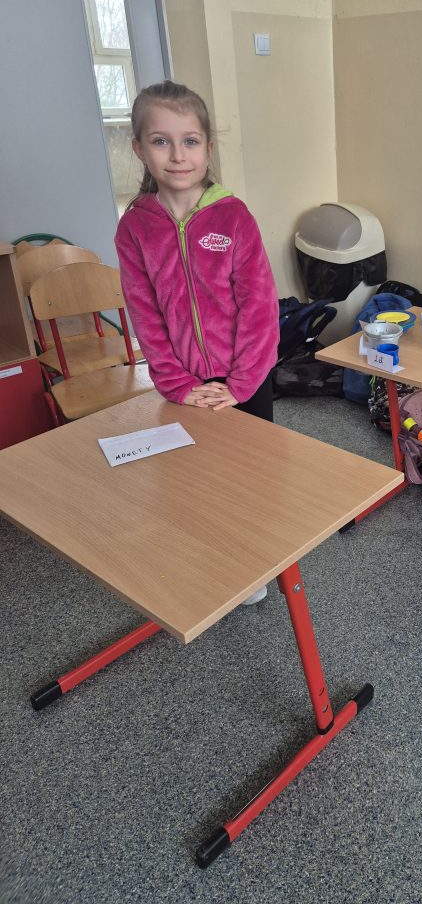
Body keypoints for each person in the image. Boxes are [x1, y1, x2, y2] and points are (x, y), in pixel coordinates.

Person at [115, 80, 278, 604]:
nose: (178, 155)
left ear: (208, 146)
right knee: (197, 479)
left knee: (250, 475)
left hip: (245, 381)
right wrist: (178, 384)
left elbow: (260, 308)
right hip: (184, 383)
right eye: (160, 141)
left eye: (189, 141)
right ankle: (210, 557)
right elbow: (145, 315)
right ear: (139, 149)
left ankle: (253, 563)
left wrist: (241, 384)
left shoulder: (234, 217)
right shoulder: (135, 227)